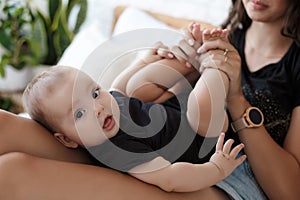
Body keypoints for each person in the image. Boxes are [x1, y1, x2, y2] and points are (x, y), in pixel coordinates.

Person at [0, 0, 299, 198]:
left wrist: (235, 97)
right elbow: (137, 94)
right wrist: (151, 60)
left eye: (93, 94)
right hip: (149, 146)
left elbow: (291, 192)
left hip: (225, 173)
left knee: (10, 173)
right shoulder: (225, 35)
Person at [21, 34, 245, 192]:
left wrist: (144, 59)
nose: (97, 108)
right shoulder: (116, 151)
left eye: (95, 93)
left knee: (136, 84)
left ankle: (192, 55)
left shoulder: (108, 103)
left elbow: (119, 84)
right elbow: (170, 179)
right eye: (79, 114)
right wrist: (216, 168)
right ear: (67, 140)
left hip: (177, 111)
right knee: (200, 105)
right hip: (205, 140)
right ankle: (214, 64)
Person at [171, 0, 300, 199]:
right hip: (184, 160)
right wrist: (172, 66)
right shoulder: (221, 41)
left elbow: (291, 192)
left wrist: (236, 98)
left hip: (238, 182)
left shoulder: (295, 66)